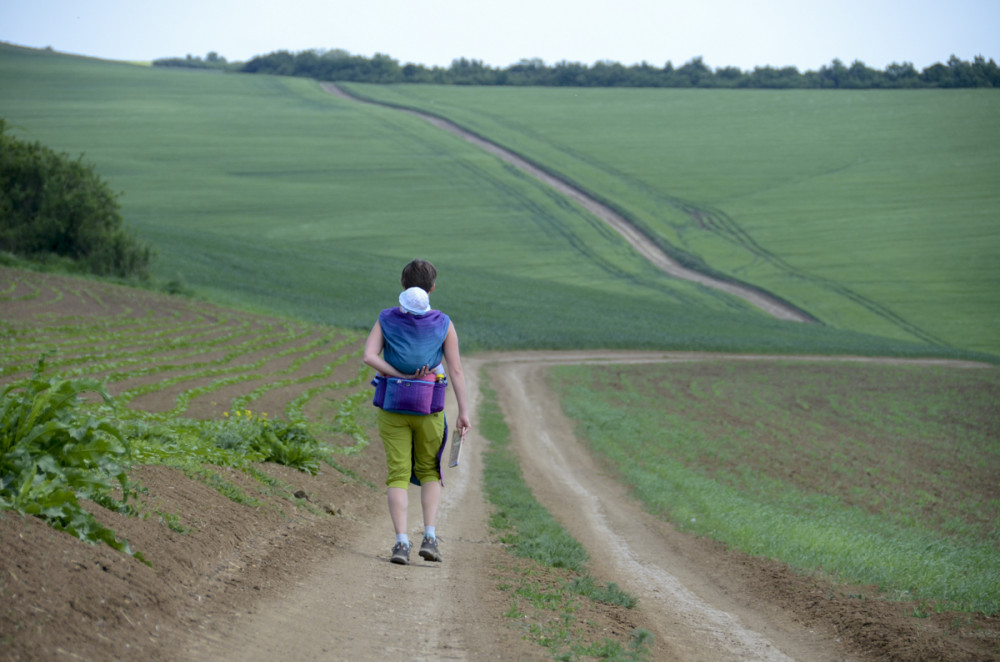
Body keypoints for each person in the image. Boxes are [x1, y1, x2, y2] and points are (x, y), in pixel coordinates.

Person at [363, 259, 471, 565]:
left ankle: (400, 543)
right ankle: (430, 538)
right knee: (428, 472)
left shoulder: (386, 318)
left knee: (398, 474)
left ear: (402, 284)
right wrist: (464, 411)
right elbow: (457, 370)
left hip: (393, 404)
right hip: (429, 406)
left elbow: (369, 356)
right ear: (433, 287)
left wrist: (397, 372)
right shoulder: (444, 322)